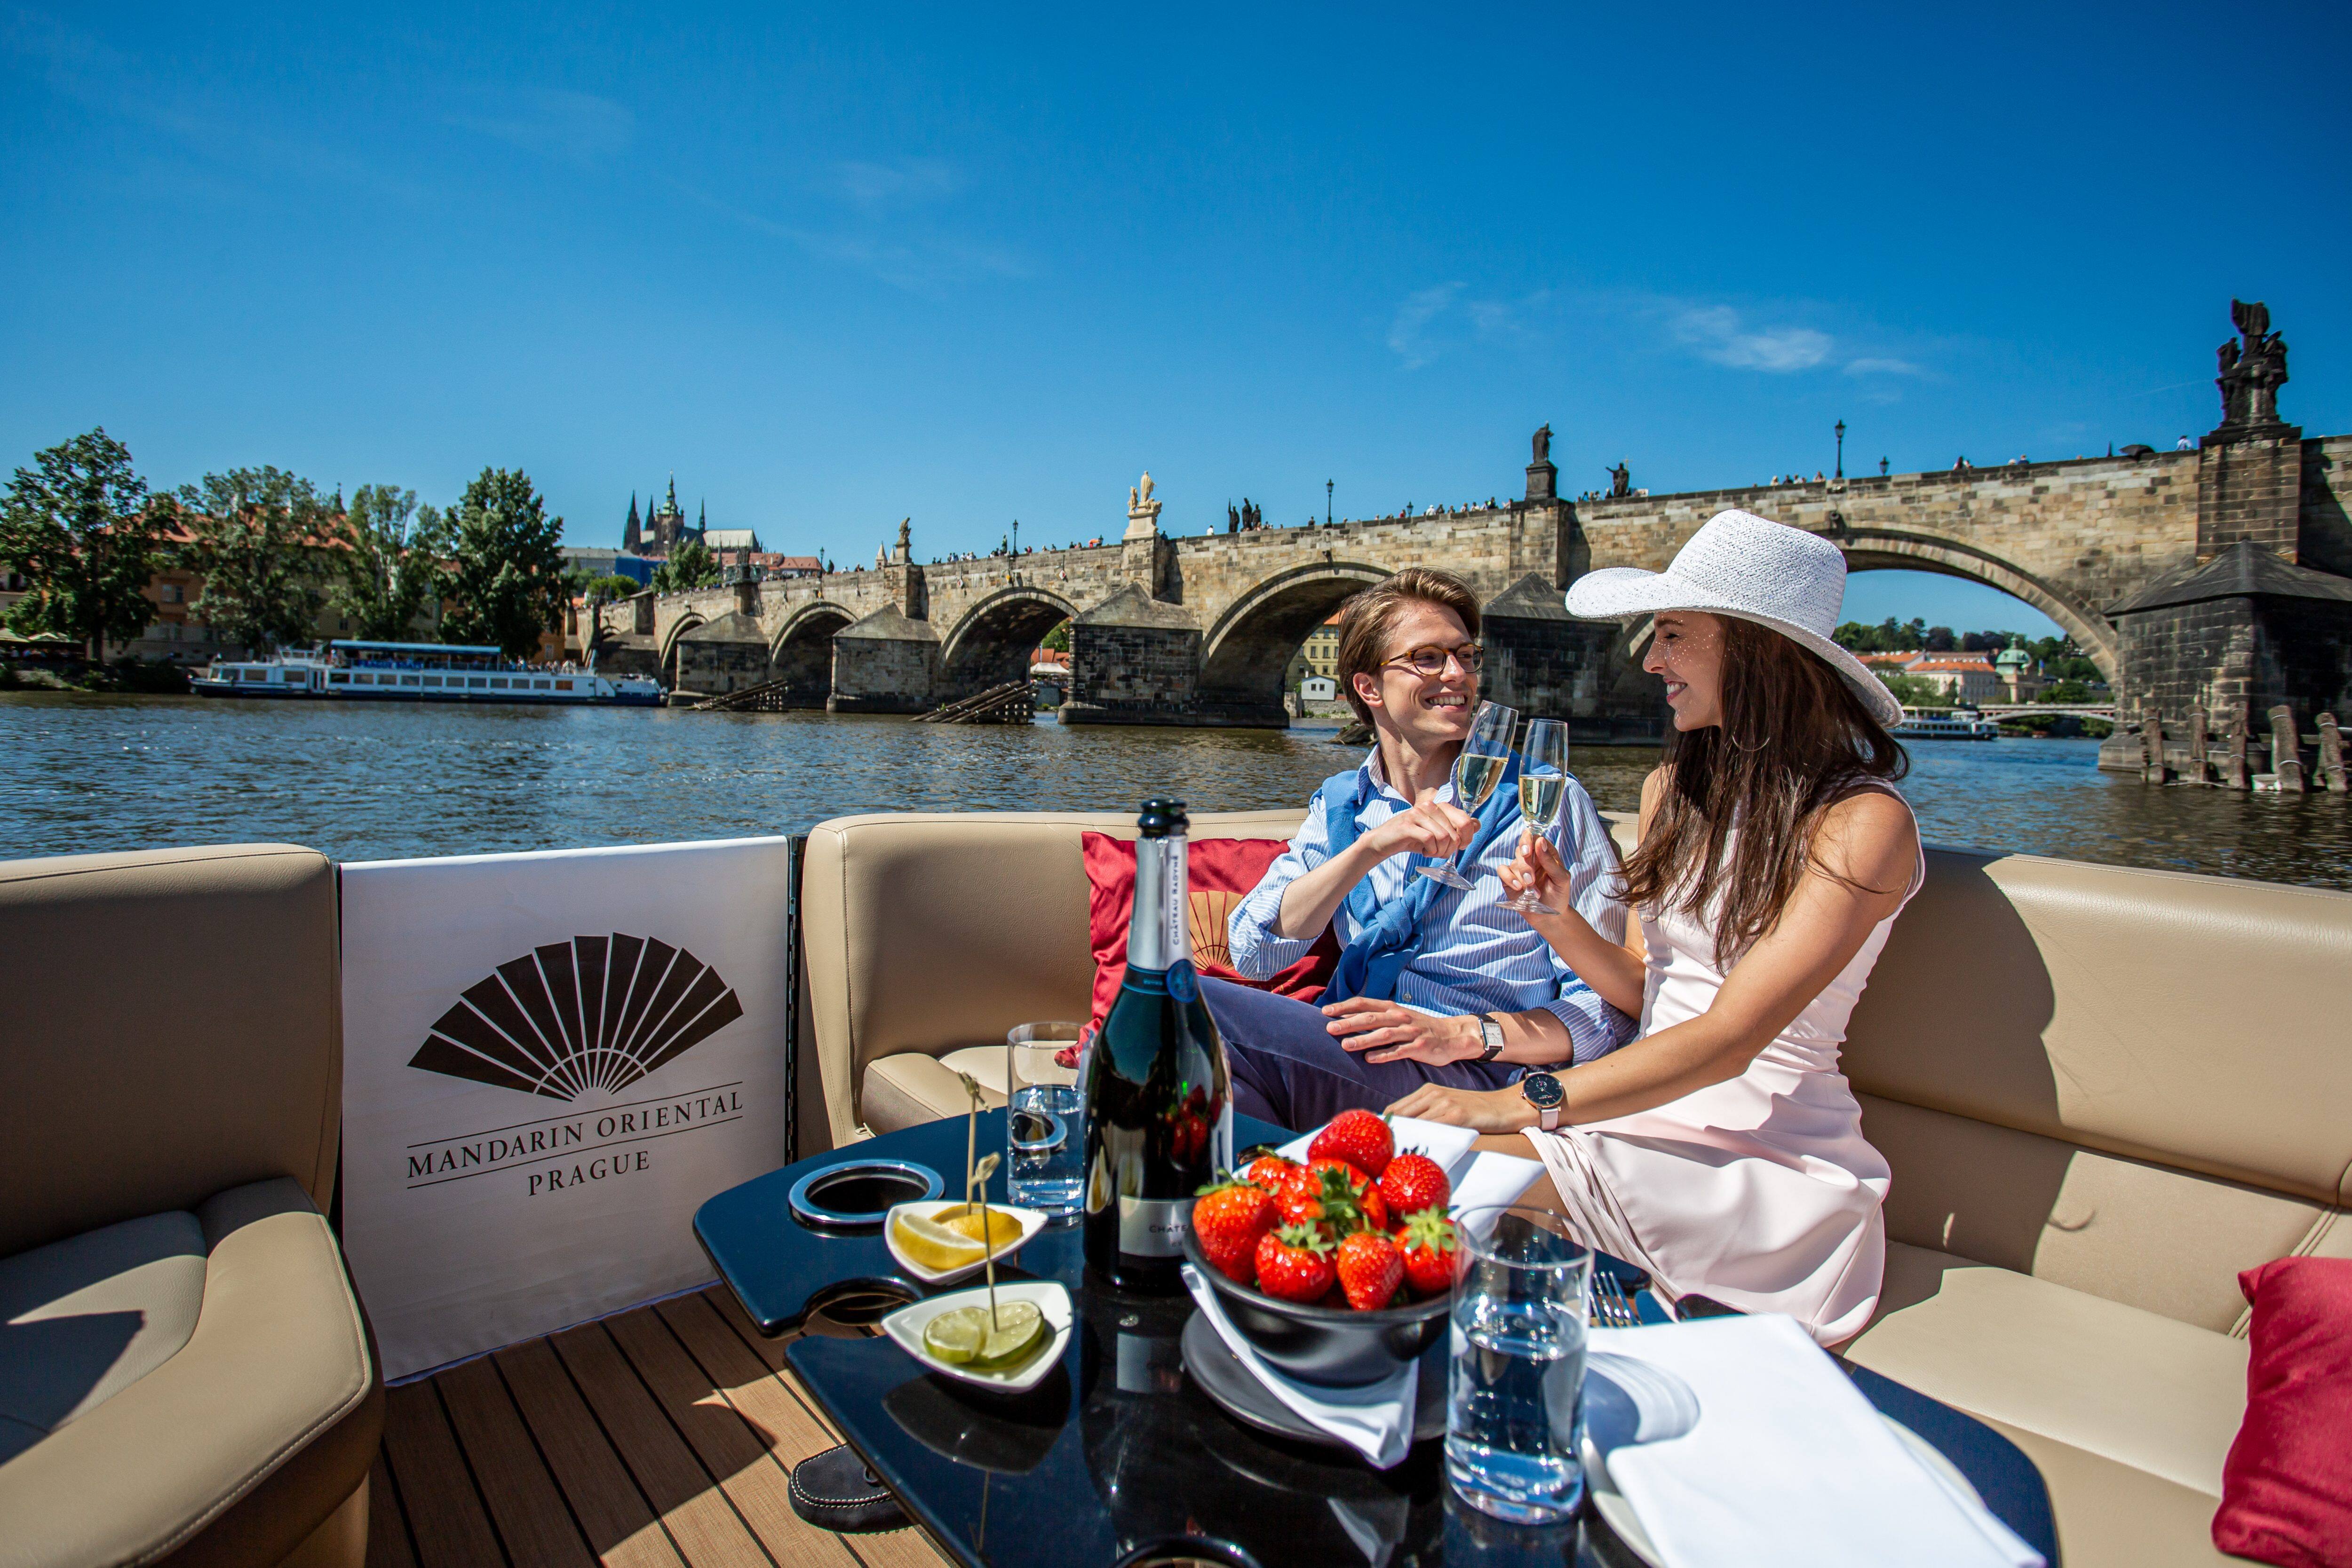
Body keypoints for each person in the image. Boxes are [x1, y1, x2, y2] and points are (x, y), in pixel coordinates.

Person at [1387, 510, 1923, 1346]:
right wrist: (1558, 920)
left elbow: (1730, 1038)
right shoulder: (1672, 788)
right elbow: (1650, 990)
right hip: (1637, 1111)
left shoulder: (1863, 822)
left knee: (1434, 1199)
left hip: (1758, 1156)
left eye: (1673, 633)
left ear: (1755, 650)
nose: (1649, 660)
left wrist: (1515, 1103)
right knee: (1409, 1190)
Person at [1215, 568, 1636, 1132]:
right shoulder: (1344, 806)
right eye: (1428, 658)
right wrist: (1370, 848)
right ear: (1369, 688)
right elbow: (1252, 952)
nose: (1457, 674)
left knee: (1184, 1003)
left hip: (1484, 1075)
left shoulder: (1544, 803)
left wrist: (1462, 1033)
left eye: (1465, 656)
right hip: (1360, 1054)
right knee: (1213, 1085)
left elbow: (1611, 1009)